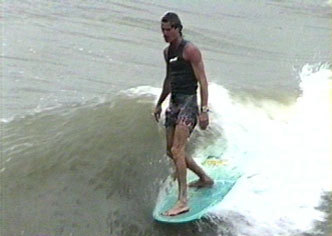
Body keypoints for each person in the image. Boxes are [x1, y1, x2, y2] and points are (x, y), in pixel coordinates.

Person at [154, 12, 214, 217]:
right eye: (162, 30)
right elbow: (168, 79)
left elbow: (203, 81)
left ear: (178, 28)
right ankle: (204, 178)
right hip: (174, 103)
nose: (164, 33)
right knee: (171, 151)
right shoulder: (166, 52)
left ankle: (183, 201)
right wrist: (159, 103)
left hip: (188, 102)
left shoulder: (190, 50)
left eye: (168, 29)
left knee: (178, 149)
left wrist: (204, 110)